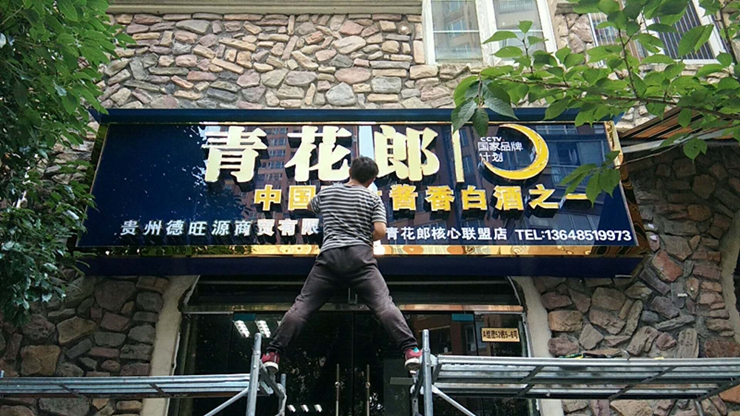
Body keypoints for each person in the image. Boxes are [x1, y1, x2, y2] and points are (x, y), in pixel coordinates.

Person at [261, 157, 421, 373]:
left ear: (350, 171)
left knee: (302, 307)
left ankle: (273, 353)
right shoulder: (372, 198)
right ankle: (410, 350)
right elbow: (380, 231)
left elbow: (310, 206)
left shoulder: (328, 192)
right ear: (372, 180)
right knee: (384, 305)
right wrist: (364, 236)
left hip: (330, 257)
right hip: (360, 258)